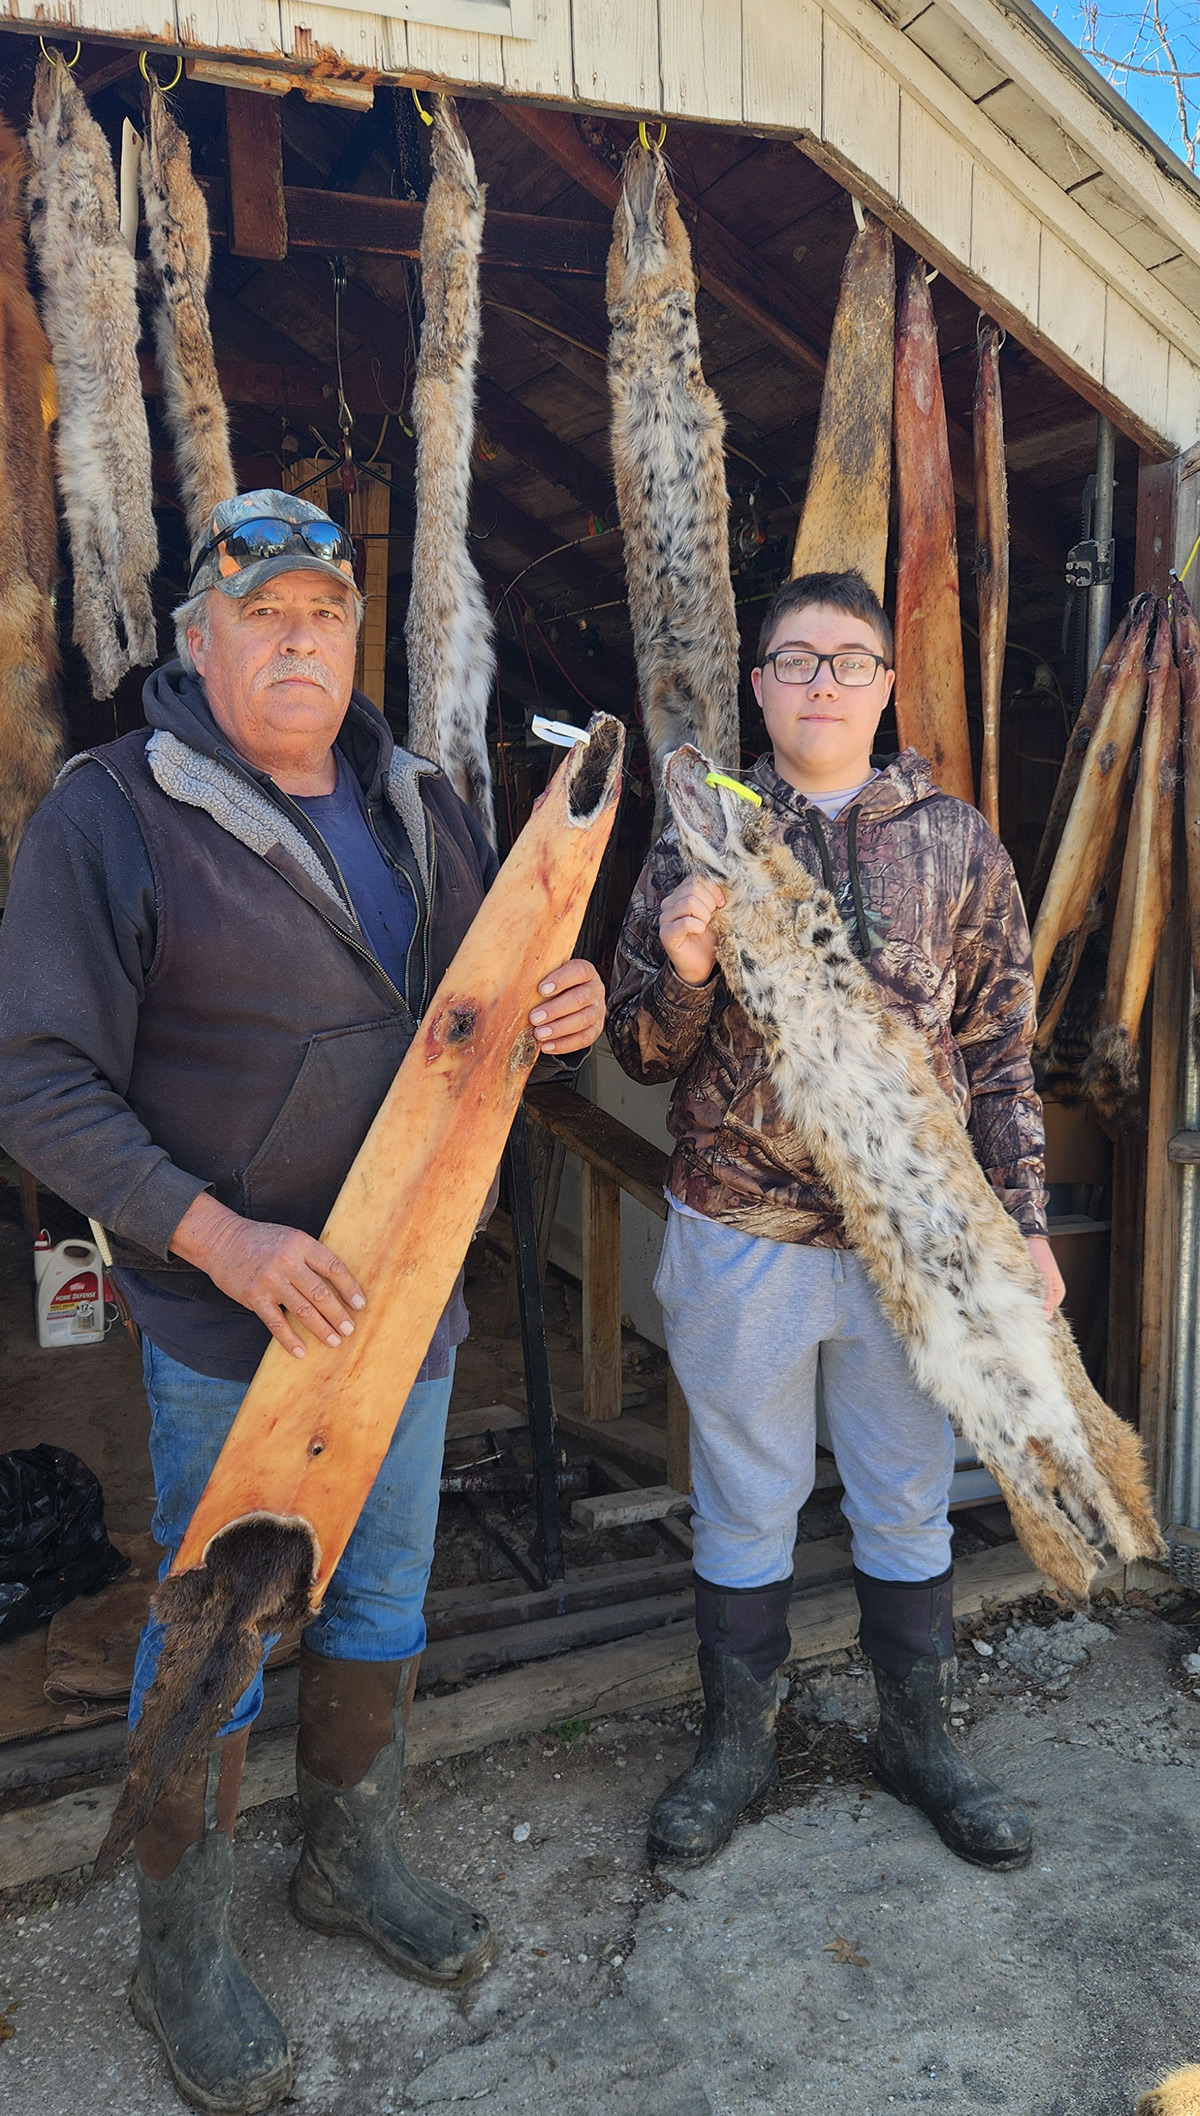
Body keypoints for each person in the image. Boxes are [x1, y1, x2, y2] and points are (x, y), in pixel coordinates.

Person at [0, 490, 605, 2114]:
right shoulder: (114, 812)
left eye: (323, 615)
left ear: (355, 639)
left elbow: (479, 1022)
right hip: (234, 1323)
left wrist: (558, 1011)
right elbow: (37, 1084)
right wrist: (220, 1240)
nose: (296, 641)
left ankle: (348, 1859)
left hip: (409, 1295)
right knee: (218, 1629)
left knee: (383, 1595)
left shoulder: (419, 798)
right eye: (260, 613)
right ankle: (179, 1951)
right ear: (197, 640)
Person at [608, 568, 1063, 1876]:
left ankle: (918, 1741)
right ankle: (737, 1749)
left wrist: (1026, 1225)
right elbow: (637, 1049)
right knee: (744, 1497)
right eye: (796, 660)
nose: (823, 682)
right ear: (759, 686)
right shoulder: (700, 834)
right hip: (738, 1228)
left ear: (885, 685)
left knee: (907, 1499)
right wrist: (683, 970)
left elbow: (1003, 1055)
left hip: (911, 1239)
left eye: (849, 660)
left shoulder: (959, 844)